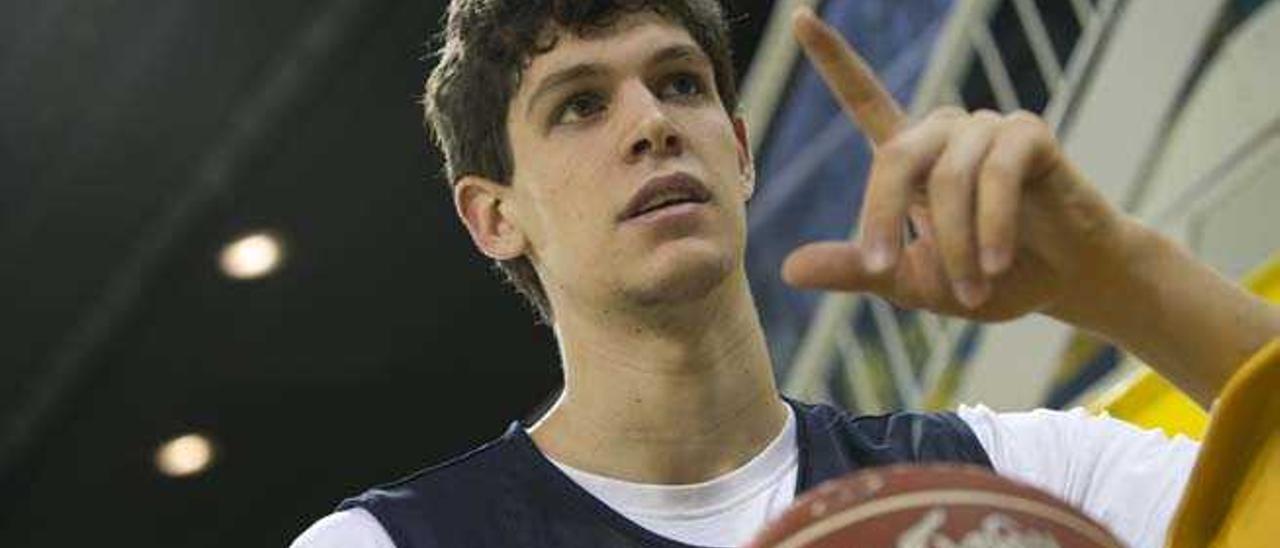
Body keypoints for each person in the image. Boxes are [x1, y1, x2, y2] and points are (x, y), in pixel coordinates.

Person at [290, 1, 1280, 547]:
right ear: (493, 215)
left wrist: (1121, 280)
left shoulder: (1011, 478)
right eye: (578, 105)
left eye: (679, 83)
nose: (651, 123)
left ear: (740, 148)